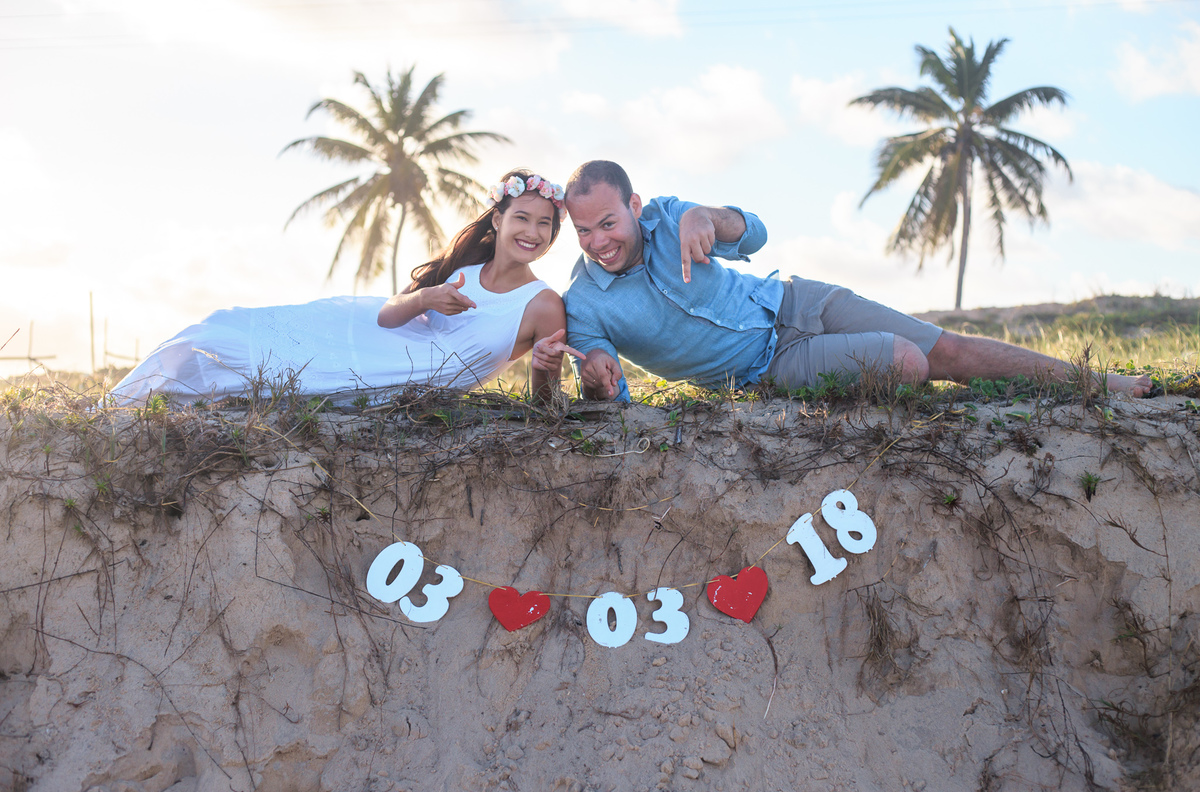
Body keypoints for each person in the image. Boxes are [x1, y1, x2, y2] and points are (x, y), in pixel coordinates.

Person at [536, 160, 1152, 402]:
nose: (598, 242)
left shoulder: (669, 216)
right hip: (767, 367)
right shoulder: (583, 303)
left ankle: (1098, 383)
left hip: (797, 300)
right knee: (907, 362)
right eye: (583, 231)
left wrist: (711, 216)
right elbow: (608, 393)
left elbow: (754, 234)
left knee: (950, 349)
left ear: (633, 205)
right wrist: (598, 381)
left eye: (608, 223)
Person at [110, 169, 574, 406]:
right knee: (220, 333)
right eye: (521, 217)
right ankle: (124, 403)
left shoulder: (542, 304)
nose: (532, 232)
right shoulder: (462, 269)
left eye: (545, 224)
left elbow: (546, 404)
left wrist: (543, 368)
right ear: (497, 220)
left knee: (261, 382)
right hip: (377, 343)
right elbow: (388, 315)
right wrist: (426, 297)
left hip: (403, 382)